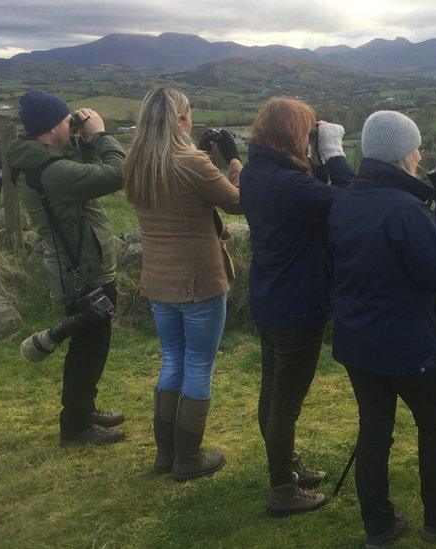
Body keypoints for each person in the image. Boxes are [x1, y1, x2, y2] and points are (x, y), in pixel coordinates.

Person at [328, 110, 436, 548]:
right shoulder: (405, 209)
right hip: (410, 345)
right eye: (416, 147)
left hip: (357, 341)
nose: (420, 155)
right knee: (433, 426)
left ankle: (378, 527)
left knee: (374, 431)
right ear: (402, 154)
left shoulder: (344, 201)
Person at [238, 97, 355, 516]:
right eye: (306, 132)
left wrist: (316, 159)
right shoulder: (288, 185)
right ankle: (282, 490)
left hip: (270, 297)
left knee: (273, 392)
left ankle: (285, 467)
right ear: (292, 136)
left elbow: (313, 198)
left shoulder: (258, 172)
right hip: (296, 304)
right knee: (285, 402)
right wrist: (335, 154)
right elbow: (350, 201)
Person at [123, 88, 244, 481]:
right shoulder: (191, 162)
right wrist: (234, 161)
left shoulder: (136, 161)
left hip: (158, 279)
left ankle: (166, 455)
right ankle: (188, 458)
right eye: (188, 116)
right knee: (197, 363)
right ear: (179, 120)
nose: (192, 122)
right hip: (200, 280)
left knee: (172, 359)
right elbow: (237, 202)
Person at [6, 90, 126, 446]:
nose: (67, 124)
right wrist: (101, 135)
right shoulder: (52, 171)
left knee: (90, 346)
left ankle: (83, 409)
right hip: (83, 270)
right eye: (63, 120)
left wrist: (78, 138)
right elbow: (118, 173)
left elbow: (80, 166)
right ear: (49, 128)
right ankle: (75, 427)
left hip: (80, 265)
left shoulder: (42, 162)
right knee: (89, 349)